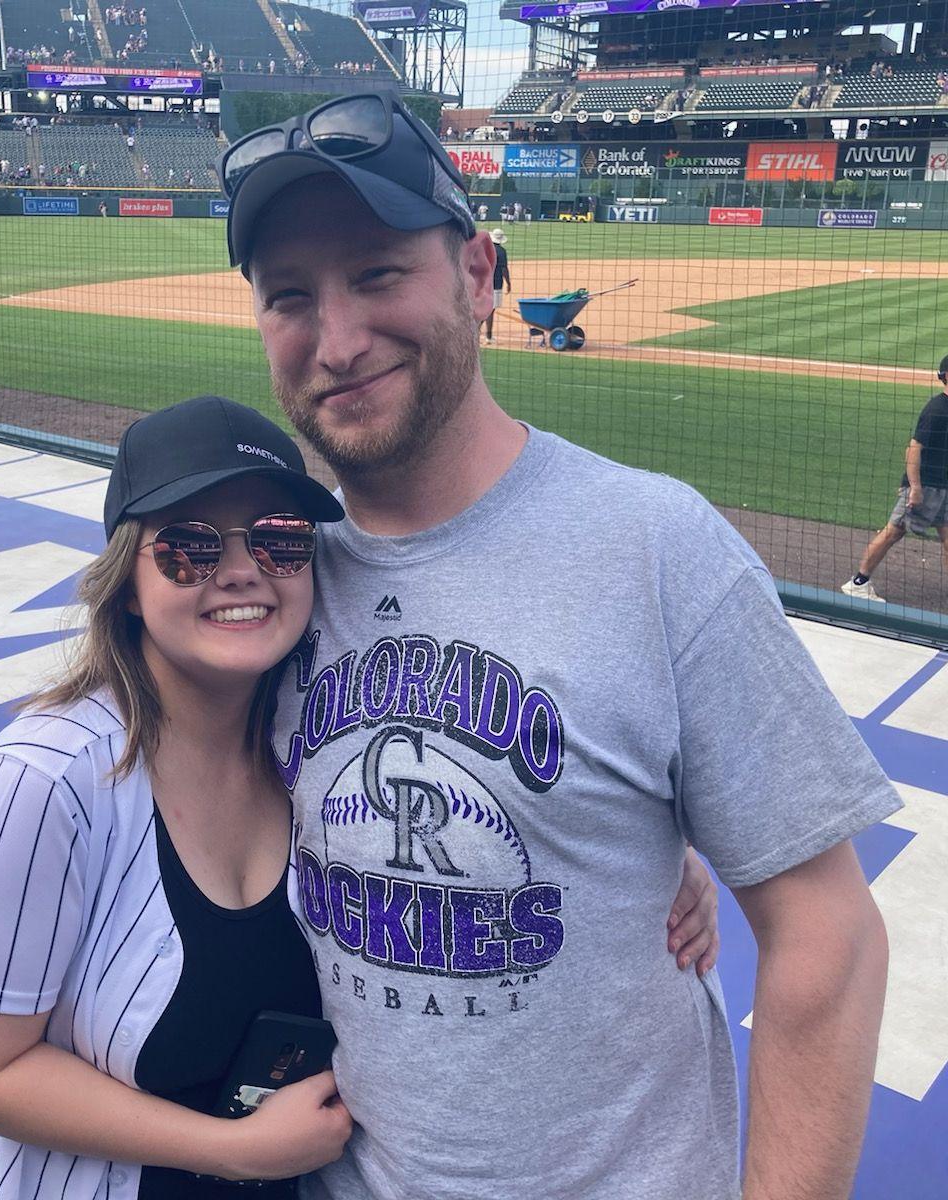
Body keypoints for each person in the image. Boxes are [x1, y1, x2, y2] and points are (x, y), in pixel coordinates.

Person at [220, 91, 896, 1199]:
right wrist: (622, 840)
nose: (336, 342)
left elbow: (828, 931)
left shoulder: (657, 545)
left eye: (379, 274)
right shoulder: (274, 580)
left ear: (478, 275)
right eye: (291, 295)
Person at [0, 395, 718, 1200]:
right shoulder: (42, 780)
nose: (241, 570)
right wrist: (229, 1150)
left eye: (279, 539)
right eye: (190, 547)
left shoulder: (307, 738)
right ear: (127, 582)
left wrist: (640, 854)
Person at [842, 353, 948, 602]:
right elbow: (913, 449)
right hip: (925, 486)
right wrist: (914, 487)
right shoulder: (936, 410)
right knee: (894, 532)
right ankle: (858, 582)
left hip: (943, 487)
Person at [483, 227, 511, 344]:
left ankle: (476, 333)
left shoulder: (485, 249)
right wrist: (508, 283)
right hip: (496, 283)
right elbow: (504, 269)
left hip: (484, 282)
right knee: (490, 310)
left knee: (483, 308)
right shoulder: (501, 251)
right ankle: (488, 336)